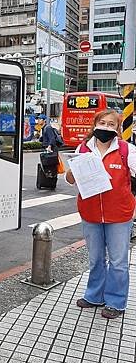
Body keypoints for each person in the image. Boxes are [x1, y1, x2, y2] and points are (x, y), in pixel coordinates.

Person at [65, 109, 136, 319]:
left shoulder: (126, 150)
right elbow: (71, 181)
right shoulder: (83, 149)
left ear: (117, 128)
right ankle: (95, 296)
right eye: (102, 123)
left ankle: (116, 302)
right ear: (95, 125)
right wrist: (71, 172)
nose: (105, 127)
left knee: (118, 262)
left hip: (119, 216)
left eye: (111, 124)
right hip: (91, 214)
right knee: (96, 259)